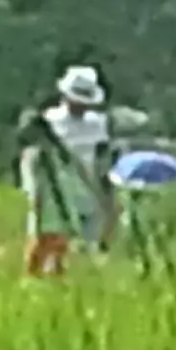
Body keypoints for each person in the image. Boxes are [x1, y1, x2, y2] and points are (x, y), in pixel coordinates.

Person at [16, 64, 121, 276]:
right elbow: (31, 156)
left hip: (85, 188)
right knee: (45, 236)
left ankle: (59, 278)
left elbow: (102, 157)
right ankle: (32, 278)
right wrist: (36, 189)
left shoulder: (98, 125)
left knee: (73, 243)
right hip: (53, 188)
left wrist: (106, 191)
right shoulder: (50, 122)